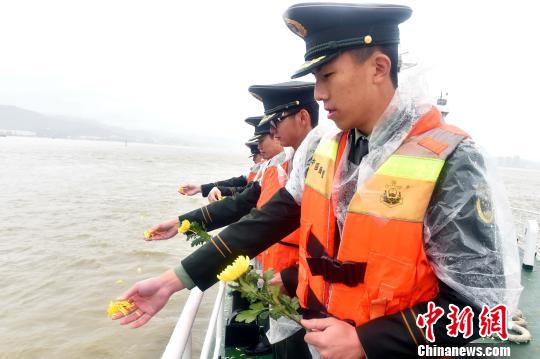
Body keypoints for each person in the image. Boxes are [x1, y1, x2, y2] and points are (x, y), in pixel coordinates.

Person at [113, 3, 521, 359]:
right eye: (316, 81)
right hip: (322, 340)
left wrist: (367, 341)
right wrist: (173, 281)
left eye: (327, 76)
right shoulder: (327, 149)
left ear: (379, 67)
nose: (320, 94)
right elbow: (266, 220)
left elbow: (484, 308)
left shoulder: (450, 158)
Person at [179, 116, 267, 201]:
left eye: (255, 155)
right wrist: (200, 188)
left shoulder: (270, 170)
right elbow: (236, 182)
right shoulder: (262, 170)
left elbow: (245, 194)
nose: (253, 159)